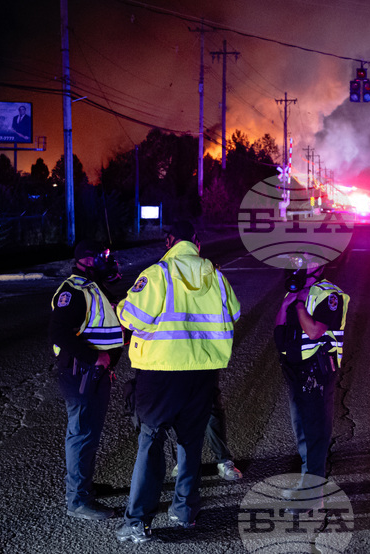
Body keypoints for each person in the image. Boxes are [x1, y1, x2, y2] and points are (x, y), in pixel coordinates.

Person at [115, 220, 241, 544]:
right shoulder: (215, 275)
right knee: (191, 443)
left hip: (160, 375)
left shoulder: (159, 273)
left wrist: (121, 305)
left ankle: (138, 521)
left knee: (151, 442)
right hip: (201, 375)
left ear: (169, 241)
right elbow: (235, 312)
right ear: (197, 243)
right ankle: (185, 511)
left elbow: (131, 316)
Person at [48, 239, 124, 521]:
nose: (105, 261)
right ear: (84, 261)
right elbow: (59, 333)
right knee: (81, 435)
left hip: (93, 374)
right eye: (98, 257)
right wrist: (95, 359)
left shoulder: (92, 288)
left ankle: (84, 486)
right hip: (81, 373)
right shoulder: (73, 291)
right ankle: (78, 500)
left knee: (89, 434)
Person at [274, 256, 349, 490]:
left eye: (305, 260)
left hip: (316, 370)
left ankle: (313, 495)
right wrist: (287, 304)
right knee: (302, 429)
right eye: (297, 260)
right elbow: (278, 328)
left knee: (315, 431)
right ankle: (308, 482)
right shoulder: (293, 293)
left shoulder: (330, 294)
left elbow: (315, 331)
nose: (299, 264)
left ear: (319, 265)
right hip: (294, 370)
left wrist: (298, 306)